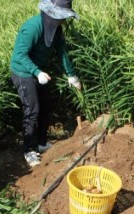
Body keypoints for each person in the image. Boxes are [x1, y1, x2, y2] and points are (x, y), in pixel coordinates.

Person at [10, 0, 82, 168]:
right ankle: (28, 150)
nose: (64, 21)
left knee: (47, 105)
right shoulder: (33, 27)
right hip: (23, 72)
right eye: (62, 17)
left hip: (40, 72)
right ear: (53, 14)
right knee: (32, 110)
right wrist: (37, 72)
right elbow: (20, 54)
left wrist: (72, 76)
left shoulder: (56, 28)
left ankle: (41, 143)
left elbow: (62, 51)